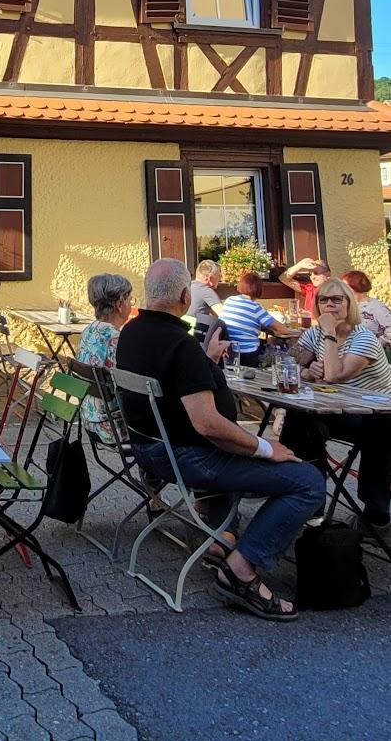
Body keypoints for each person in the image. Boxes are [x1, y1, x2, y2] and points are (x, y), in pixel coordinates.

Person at [115, 258, 324, 621]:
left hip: (149, 452)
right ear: (185, 296)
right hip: (187, 458)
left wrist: (204, 361)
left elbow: (177, 390)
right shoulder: (179, 344)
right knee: (308, 481)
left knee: (234, 449)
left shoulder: (131, 333)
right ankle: (240, 570)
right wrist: (265, 447)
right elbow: (209, 425)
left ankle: (220, 538)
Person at [283, 277, 391, 532]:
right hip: (340, 409)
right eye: (323, 300)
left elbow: (334, 375)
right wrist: (306, 370)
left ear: (349, 304)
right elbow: (287, 362)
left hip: (377, 415)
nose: (330, 305)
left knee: (381, 430)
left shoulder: (364, 338)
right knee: (301, 420)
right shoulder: (314, 333)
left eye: (336, 299)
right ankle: (310, 500)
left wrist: (329, 333)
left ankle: (377, 517)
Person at [74, 273, 132, 442]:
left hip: (89, 420)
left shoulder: (89, 331)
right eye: (130, 300)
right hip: (114, 428)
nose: (131, 304)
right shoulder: (116, 339)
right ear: (120, 304)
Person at [217, 272, 286, 367]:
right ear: (259, 289)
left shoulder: (230, 300)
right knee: (276, 348)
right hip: (247, 355)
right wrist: (297, 331)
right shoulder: (255, 307)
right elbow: (282, 330)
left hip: (228, 350)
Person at [342, 270, 391, 349]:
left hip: (370, 353)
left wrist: (374, 345)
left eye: (345, 286)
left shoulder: (376, 307)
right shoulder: (346, 306)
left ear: (355, 286)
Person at [186, 260, 222, 339]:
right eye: (219, 276)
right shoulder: (206, 291)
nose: (220, 279)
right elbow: (223, 315)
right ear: (210, 278)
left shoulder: (188, 286)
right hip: (195, 337)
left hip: (181, 332)